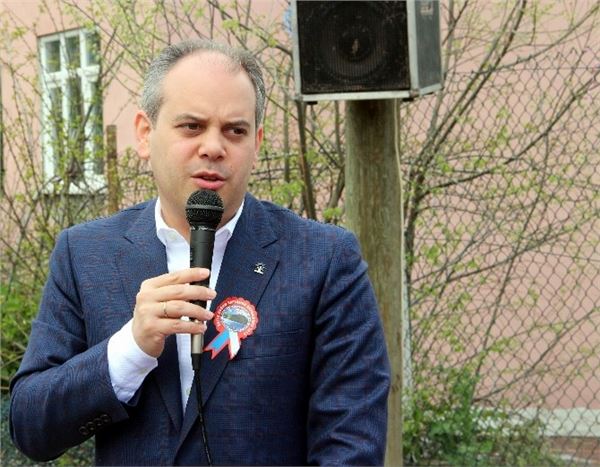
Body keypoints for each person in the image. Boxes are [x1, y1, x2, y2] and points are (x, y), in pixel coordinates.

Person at [9, 39, 390, 466]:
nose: (213, 147)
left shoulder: (324, 259)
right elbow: (30, 426)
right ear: (145, 133)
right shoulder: (85, 253)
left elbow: (351, 443)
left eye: (235, 130)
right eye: (191, 126)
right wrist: (131, 348)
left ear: (257, 142)